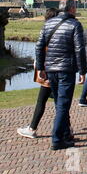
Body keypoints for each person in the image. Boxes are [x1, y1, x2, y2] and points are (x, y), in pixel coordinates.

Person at [35, 0, 87, 150]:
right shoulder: (75, 24)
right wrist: (82, 70)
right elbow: (79, 49)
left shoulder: (48, 23)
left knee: (59, 103)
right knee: (63, 105)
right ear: (72, 8)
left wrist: (41, 68)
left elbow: (39, 47)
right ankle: (57, 139)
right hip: (66, 69)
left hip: (51, 68)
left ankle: (64, 134)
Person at [17, 8, 63, 139]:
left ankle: (32, 128)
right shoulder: (62, 32)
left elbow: (41, 50)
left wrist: (39, 67)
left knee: (42, 101)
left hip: (48, 71)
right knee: (60, 102)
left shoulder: (47, 32)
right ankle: (66, 129)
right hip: (60, 71)